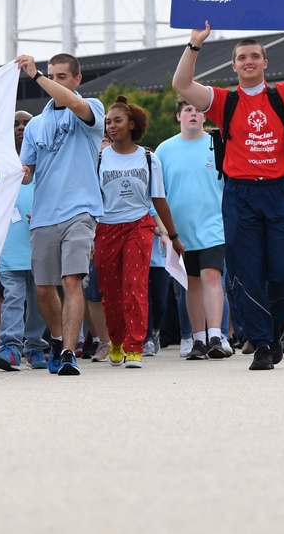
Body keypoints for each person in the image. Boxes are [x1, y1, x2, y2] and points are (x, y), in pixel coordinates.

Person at [172, 20, 284, 371]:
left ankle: (276, 325)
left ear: (265, 63)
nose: (248, 61)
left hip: (277, 192)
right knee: (246, 272)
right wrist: (194, 44)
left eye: (254, 56)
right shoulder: (223, 100)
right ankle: (262, 343)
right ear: (234, 65)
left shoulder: (283, 95)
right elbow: (182, 84)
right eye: (241, 57)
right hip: (240, 194)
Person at [15, 52, 105, 376]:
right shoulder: (36, 125)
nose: (54, 81)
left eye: (61, 76)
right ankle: (55, 339)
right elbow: (28, 173)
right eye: (51, 76)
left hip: (81, 209)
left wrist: (36, 76)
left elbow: (73, 105)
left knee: (72, 280)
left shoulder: (92, 107)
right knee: (42, 288)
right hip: (43, 214)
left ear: (77, 79)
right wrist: (13, 171)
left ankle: (69, 351)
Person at [95, 96, 183, 368]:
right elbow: (90, 197)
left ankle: (135, 346)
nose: (111, 126)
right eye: (108, 122)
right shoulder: (98, 158)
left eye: (117, 121)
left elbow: (158, 198)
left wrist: (173, 235)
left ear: (132, 124)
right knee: (110, 291)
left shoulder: (148, 157)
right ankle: (117, 342)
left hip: (138, 225)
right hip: (106, 228)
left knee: (134, 286)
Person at [155, 99, 230, 360]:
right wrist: (163, 230)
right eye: (188, 110)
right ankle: (198, 339)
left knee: (212, 277)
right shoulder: (164, 150)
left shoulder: (217, 143)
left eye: (198, 110)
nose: (194, 114)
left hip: (213, 226)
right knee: (192, 284)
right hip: (180, 231)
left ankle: (216, 336)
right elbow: (158, 193)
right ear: (179, 116)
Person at [0, 111, 49, 371]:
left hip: (39, 240)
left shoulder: (46, 162)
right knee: (13, 295)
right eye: (15, 124)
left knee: (39, 297)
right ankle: (10, 347)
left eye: (27, 124)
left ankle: (35, 346)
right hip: (10, 243)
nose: (21, 128)